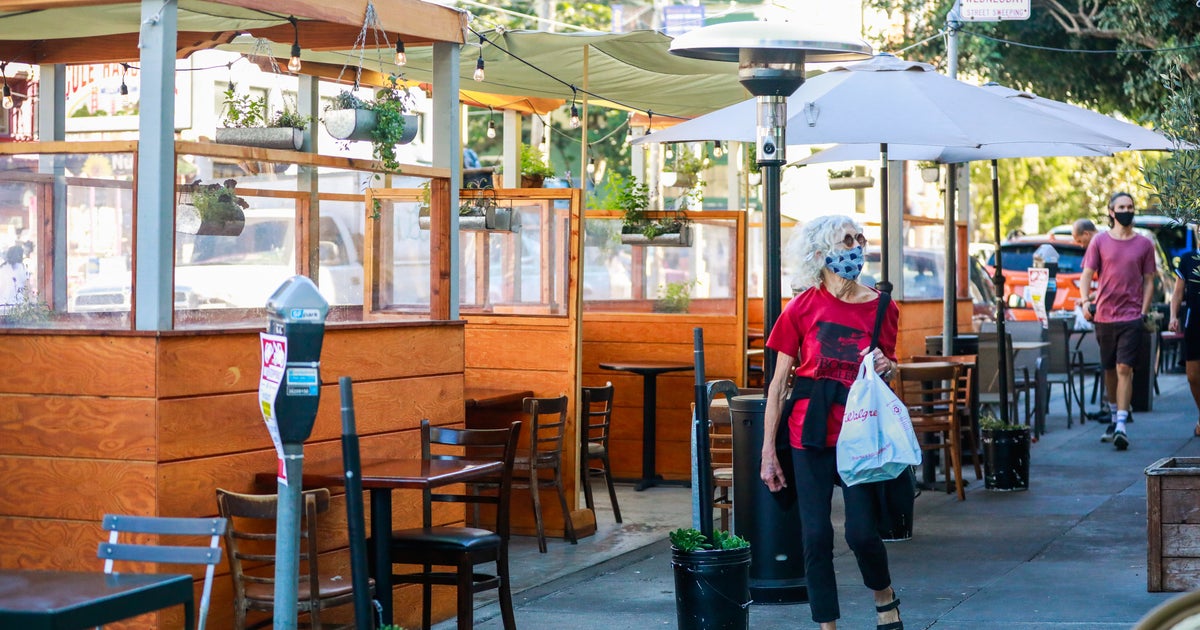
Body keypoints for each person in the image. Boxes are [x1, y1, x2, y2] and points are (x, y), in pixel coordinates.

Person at [761, 215, 903, 630]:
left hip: (858, 430)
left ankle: (885, 597)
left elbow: (890, 367)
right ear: (822, 252)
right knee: (816, 536)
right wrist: (768, 452)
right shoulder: (801, 307)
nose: (857, 246)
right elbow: (776, 386)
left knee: (860, 532)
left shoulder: (882, 306)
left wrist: (888, 365)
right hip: (807, 429)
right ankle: (827, 624)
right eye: (847, 240)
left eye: (860, 238)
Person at [1079, 192, 1156, 450]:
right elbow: (1087, 274)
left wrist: (1143, 310)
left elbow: (1149, 280)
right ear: (1111, 212)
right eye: (1121, 207)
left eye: (1130, 206)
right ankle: (1114, 417)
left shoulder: (1144, 244)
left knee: (1125, 369)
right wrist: (1084, 302)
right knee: (1110, 370)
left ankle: (1121, 424)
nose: (1126, 210)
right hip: (1104, 315)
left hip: (1132, 316)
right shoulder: (1099, 241)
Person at [1169, 247, 1200, 437]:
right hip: (1194, 322)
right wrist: (1173, 316)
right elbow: (1178, 292)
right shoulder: (1189, 258)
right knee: (1193, 376)